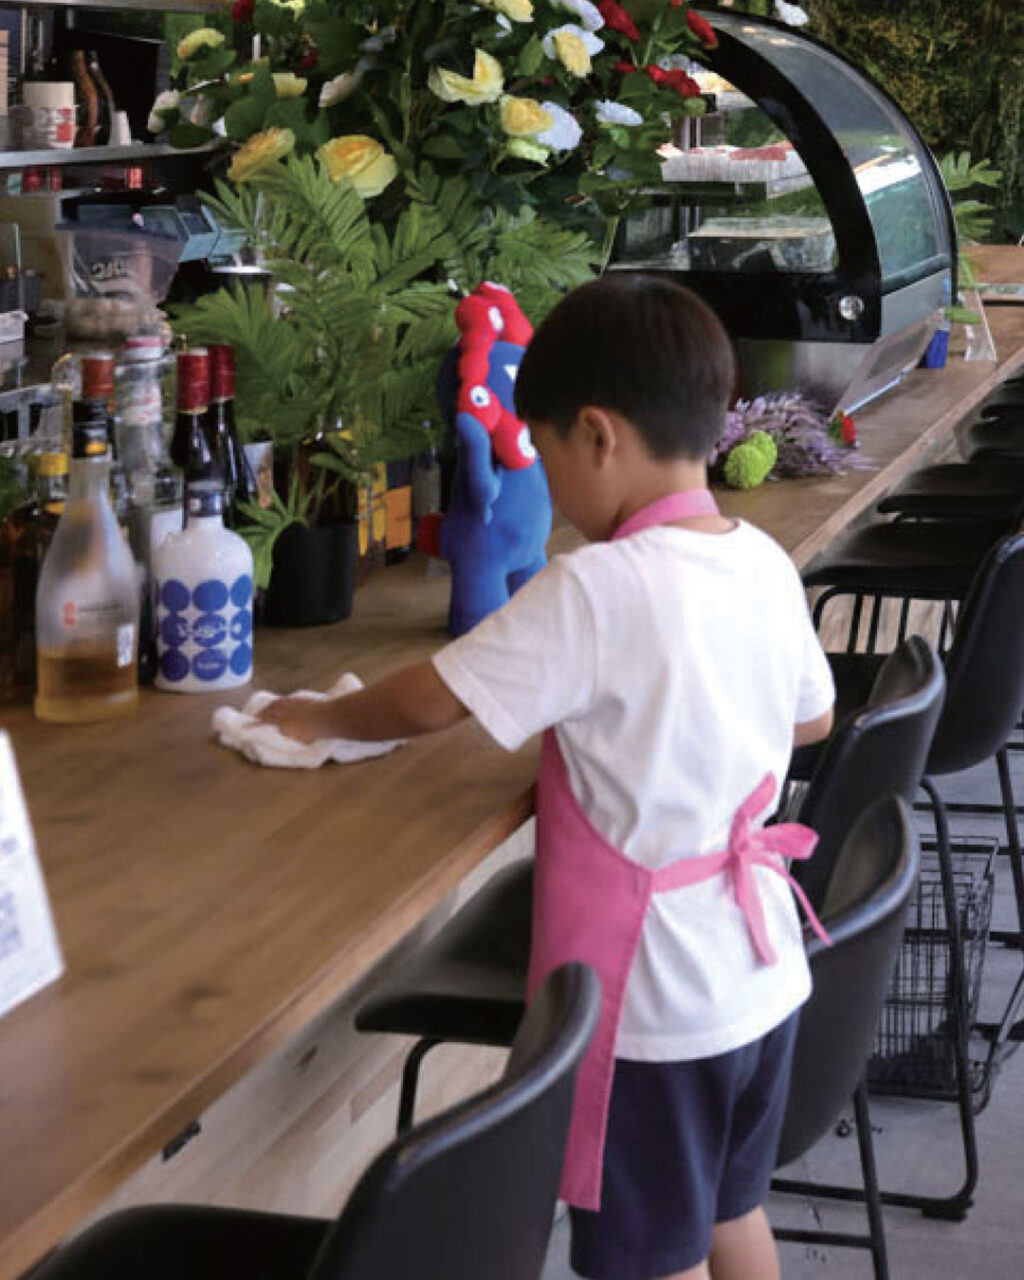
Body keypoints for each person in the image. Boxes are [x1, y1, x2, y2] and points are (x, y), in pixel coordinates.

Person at [259, 274, 835, 1280]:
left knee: (651, 1262)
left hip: (656, 1006)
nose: (543, 483)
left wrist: (316, 716)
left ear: (598, 436)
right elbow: (813, 716)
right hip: (761, 969)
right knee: (731, 1216)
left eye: (541, 448)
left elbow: (432, 699)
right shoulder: (759, 560)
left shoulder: (599, 586)